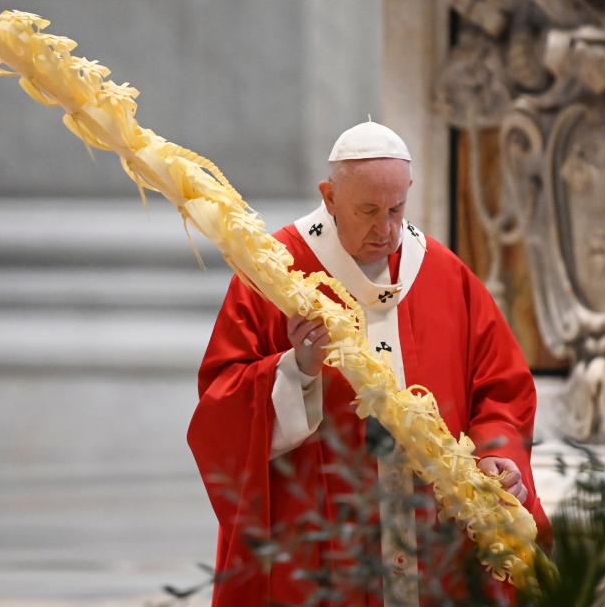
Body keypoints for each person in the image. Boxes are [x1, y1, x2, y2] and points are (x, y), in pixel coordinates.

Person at [186, 120, 550, 606]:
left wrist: (496, 455)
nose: (386, 230)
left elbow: (500, 389)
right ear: (329, 197)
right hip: (324, 546)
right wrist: (299, 369)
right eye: (368, 211)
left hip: (432, 542)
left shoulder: (442, 273)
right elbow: (220, 407)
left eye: (397, 209)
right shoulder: (274, 270)